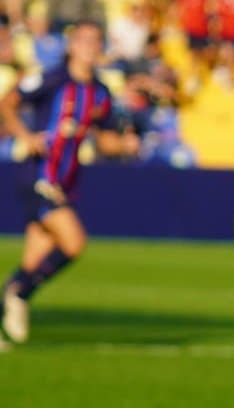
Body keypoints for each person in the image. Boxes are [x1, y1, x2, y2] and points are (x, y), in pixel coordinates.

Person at [1, 24, 136, 350]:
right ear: (72, 46)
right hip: (39, 175)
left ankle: (13, 298)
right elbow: (8, 103)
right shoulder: (52, 79)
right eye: (84, 40)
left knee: (33, 260)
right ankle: (18, 295)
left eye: (95, 41)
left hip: (66, 182)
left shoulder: (100, 92)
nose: (90, 46)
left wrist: (124, 145)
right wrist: (25, 136)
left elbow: (104, 140)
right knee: (74, 242)